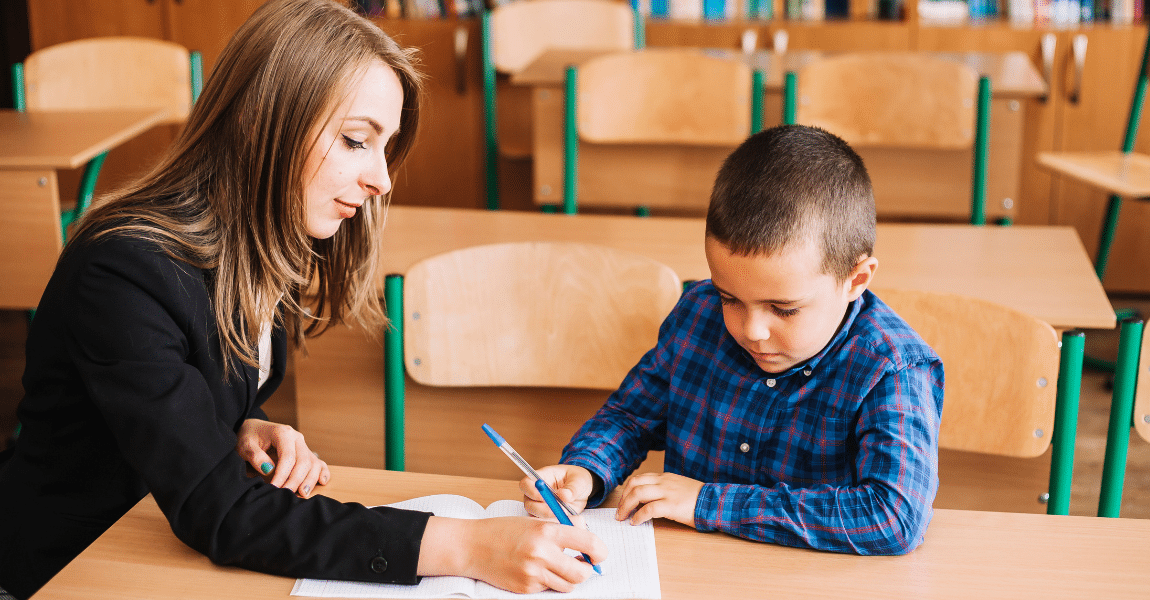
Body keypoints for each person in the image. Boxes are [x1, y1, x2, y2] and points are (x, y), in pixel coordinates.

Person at [0, 1, 603, 598]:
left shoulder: (266, 238)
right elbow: (222, 513)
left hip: (153, 541)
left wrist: (238, 425)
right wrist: (469, 546)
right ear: (265, 122)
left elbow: (167, 397)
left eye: (384, 147)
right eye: (354, 140)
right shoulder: (122, 270)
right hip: (70, 568)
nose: (382, 180)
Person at [522, 125, 945, 556]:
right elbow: (630, 417)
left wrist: (709, 502)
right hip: (690, 569)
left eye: (784, 309)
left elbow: (892, 517)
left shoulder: (892, 368)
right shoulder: (697, 314)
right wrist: (587, 470)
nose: (751, 331)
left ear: (855, 279)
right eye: (730, 298)